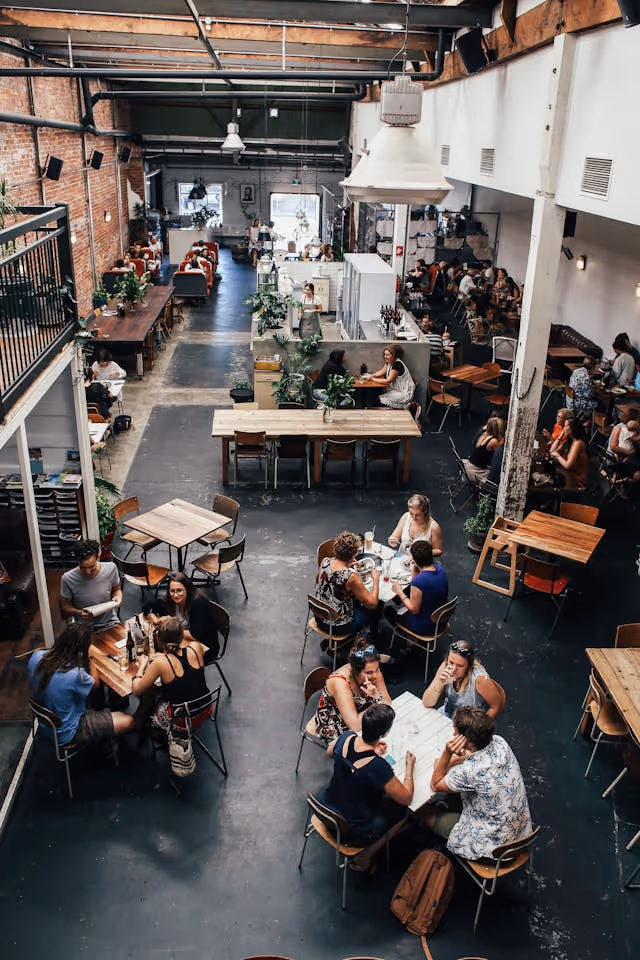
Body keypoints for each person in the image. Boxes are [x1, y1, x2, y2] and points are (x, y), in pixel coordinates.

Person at [426, 707, 532, 861]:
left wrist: (447, 753)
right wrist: (456, 759)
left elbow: (435, 783)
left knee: (423, 813)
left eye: (455, 731)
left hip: (495, 848)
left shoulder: (470, 772)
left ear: (465, 739)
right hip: (520, 834)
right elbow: (475, 755)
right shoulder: (500, 742)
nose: (453, 734)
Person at [321, 702, 415, 870]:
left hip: (327, 808)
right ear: (384, 733)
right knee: (403, 813)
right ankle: (366, 856)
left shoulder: (346, 737)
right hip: (351, 828)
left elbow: (330, 752)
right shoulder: (378, 767)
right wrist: (409, 769)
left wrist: (370, 752)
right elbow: (406, 797)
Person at [28, 623, 134, 746]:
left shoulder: (36, 656)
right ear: (81, 650)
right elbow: (95, 683)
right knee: (129, 721)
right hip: (69, 732)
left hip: (46, 725)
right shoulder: (75, 675)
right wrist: (90, 658)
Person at [131, 616, 210, 732]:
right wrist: (165, 656)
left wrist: (142, 666)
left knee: (151, 694)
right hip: (206, 708)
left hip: (182, 720)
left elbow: (136, 689)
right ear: (182, 636)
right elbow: (183, 659)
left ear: (159, 639)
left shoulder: (160, 663)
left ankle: (148, 728)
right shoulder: (196, 647)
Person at [314, 640, 392, 741]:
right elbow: (355, 725)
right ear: (356, 671)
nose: (375, 675)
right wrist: (378, 702)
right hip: (336, 724)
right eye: (369, 673)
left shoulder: (372, 668)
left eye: (377, 670)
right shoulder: (340, 683)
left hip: (363, 715)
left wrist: (378, 701)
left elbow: (388, 702)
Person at [314, 530, 380, 637]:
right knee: (376, 608)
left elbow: (318, 581)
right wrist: (376, 580)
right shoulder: (351, 577)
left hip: (319, 617)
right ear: (353, 555)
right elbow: (372, 604)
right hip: (337, 626)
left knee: (355, 599)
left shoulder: (325, 561)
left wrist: (346, 566)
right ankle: (373, 636)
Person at [145, 572, 219, 660]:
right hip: (182, 641)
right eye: (172, 591)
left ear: (187, 589)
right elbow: (147, 607)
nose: (175, 595)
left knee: (164, 660)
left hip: (204, 648)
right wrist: (155, 619)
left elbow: (195, 635)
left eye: (179, 590)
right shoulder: (170, 600)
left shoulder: (198, 603)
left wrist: (170, 625)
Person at [422, 640, 505, 719]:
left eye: (460, 666)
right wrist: (440, 683)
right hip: (449, 713)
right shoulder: (445, 666)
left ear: (469, 666)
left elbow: (496, 706)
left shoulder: (480, 680)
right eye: (451, 662)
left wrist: (478, 727)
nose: (453, 669)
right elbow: (427, 702)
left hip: (471, 720)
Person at [386, 540, 449, 636]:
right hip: (440, 619)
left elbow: (414, 609)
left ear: (414, 560)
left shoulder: (419, 581)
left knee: (388, 611)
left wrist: (399, 591)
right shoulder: (441, 570)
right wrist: (415, 573)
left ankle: (410, 637)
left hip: (426, 627)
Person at [60, 539, 121, 632]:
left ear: (98, 556)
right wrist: (79, 613)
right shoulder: (67, 578)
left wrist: (118, 597)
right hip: (84, 628)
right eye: (83, 567)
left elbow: (117, 589)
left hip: (110, 623)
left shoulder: (111, 568)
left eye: (92, 566)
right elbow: (65, 606)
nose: (88, 572)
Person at [388, 493, 443, 557]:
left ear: (425, 512)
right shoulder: (406, 517)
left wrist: (423, 552)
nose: (414, 517)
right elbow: (394, 538)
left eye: (418, 515)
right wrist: (392, 541)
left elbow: (438, 551)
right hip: (402, 559)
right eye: (411, 513)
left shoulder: (434, 527)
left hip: (421, 563)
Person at [364, 345, 415, 409]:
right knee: (374, 393)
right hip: (396, 391)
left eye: (387, 355)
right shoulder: (389, 362)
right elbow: (382, 371)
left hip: (403, 394)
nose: (385, 357)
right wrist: (371, 375)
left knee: (378, 399)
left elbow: (388, 381)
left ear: (394, 355)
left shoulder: (397, 364)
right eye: (385, 354)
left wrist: (372, 379)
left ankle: (404, 406)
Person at [549, 416, 590, 490]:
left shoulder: (578, 443)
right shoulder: (571, 441)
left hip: (579, 482)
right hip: (570, 476)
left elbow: (568, 466)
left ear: (572, 428)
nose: (564, 429)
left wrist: (558, 455)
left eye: (565, 426)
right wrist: (561, 435)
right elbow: (551, 451)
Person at [463, 417, 505, 483]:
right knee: (498, 475)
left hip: (469, 466)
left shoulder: (484, 434)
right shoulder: (493, 441)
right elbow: (500, 453)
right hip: (476, 471)